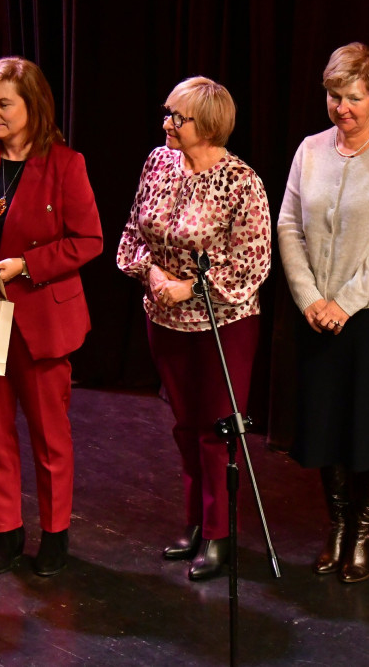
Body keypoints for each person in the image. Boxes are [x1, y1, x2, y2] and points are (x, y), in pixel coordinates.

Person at [0, 57, 103, 577]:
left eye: (3, 103)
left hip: (39, 320)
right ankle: (6, 531)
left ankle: (55, 534)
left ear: (33, 106)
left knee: (49, 434)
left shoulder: (66, 164)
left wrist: (28, 265)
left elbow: (89, 240)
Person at [277, 42, 369, 583]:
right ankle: (337, 525)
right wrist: (311, 298)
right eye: (334, 96)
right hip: (317, 311)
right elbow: (288, 226)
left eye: (354, 98)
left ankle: (363, 531)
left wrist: (345, 302)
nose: (342, 108)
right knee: (327, 423)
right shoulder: (310, 149)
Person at [117, 76, 271, 581]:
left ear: (205, 126)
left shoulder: (242, 181)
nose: (166, 124)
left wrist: (190, 288)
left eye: (176, 117)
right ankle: (196, 525)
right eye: (168, 114)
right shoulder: (158, 162)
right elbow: (132, 233)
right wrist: (154, 272)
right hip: (163, 317)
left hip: (222, 324)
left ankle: (221, 535)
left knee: (218, 431)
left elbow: (253, 263)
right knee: (185, 427)